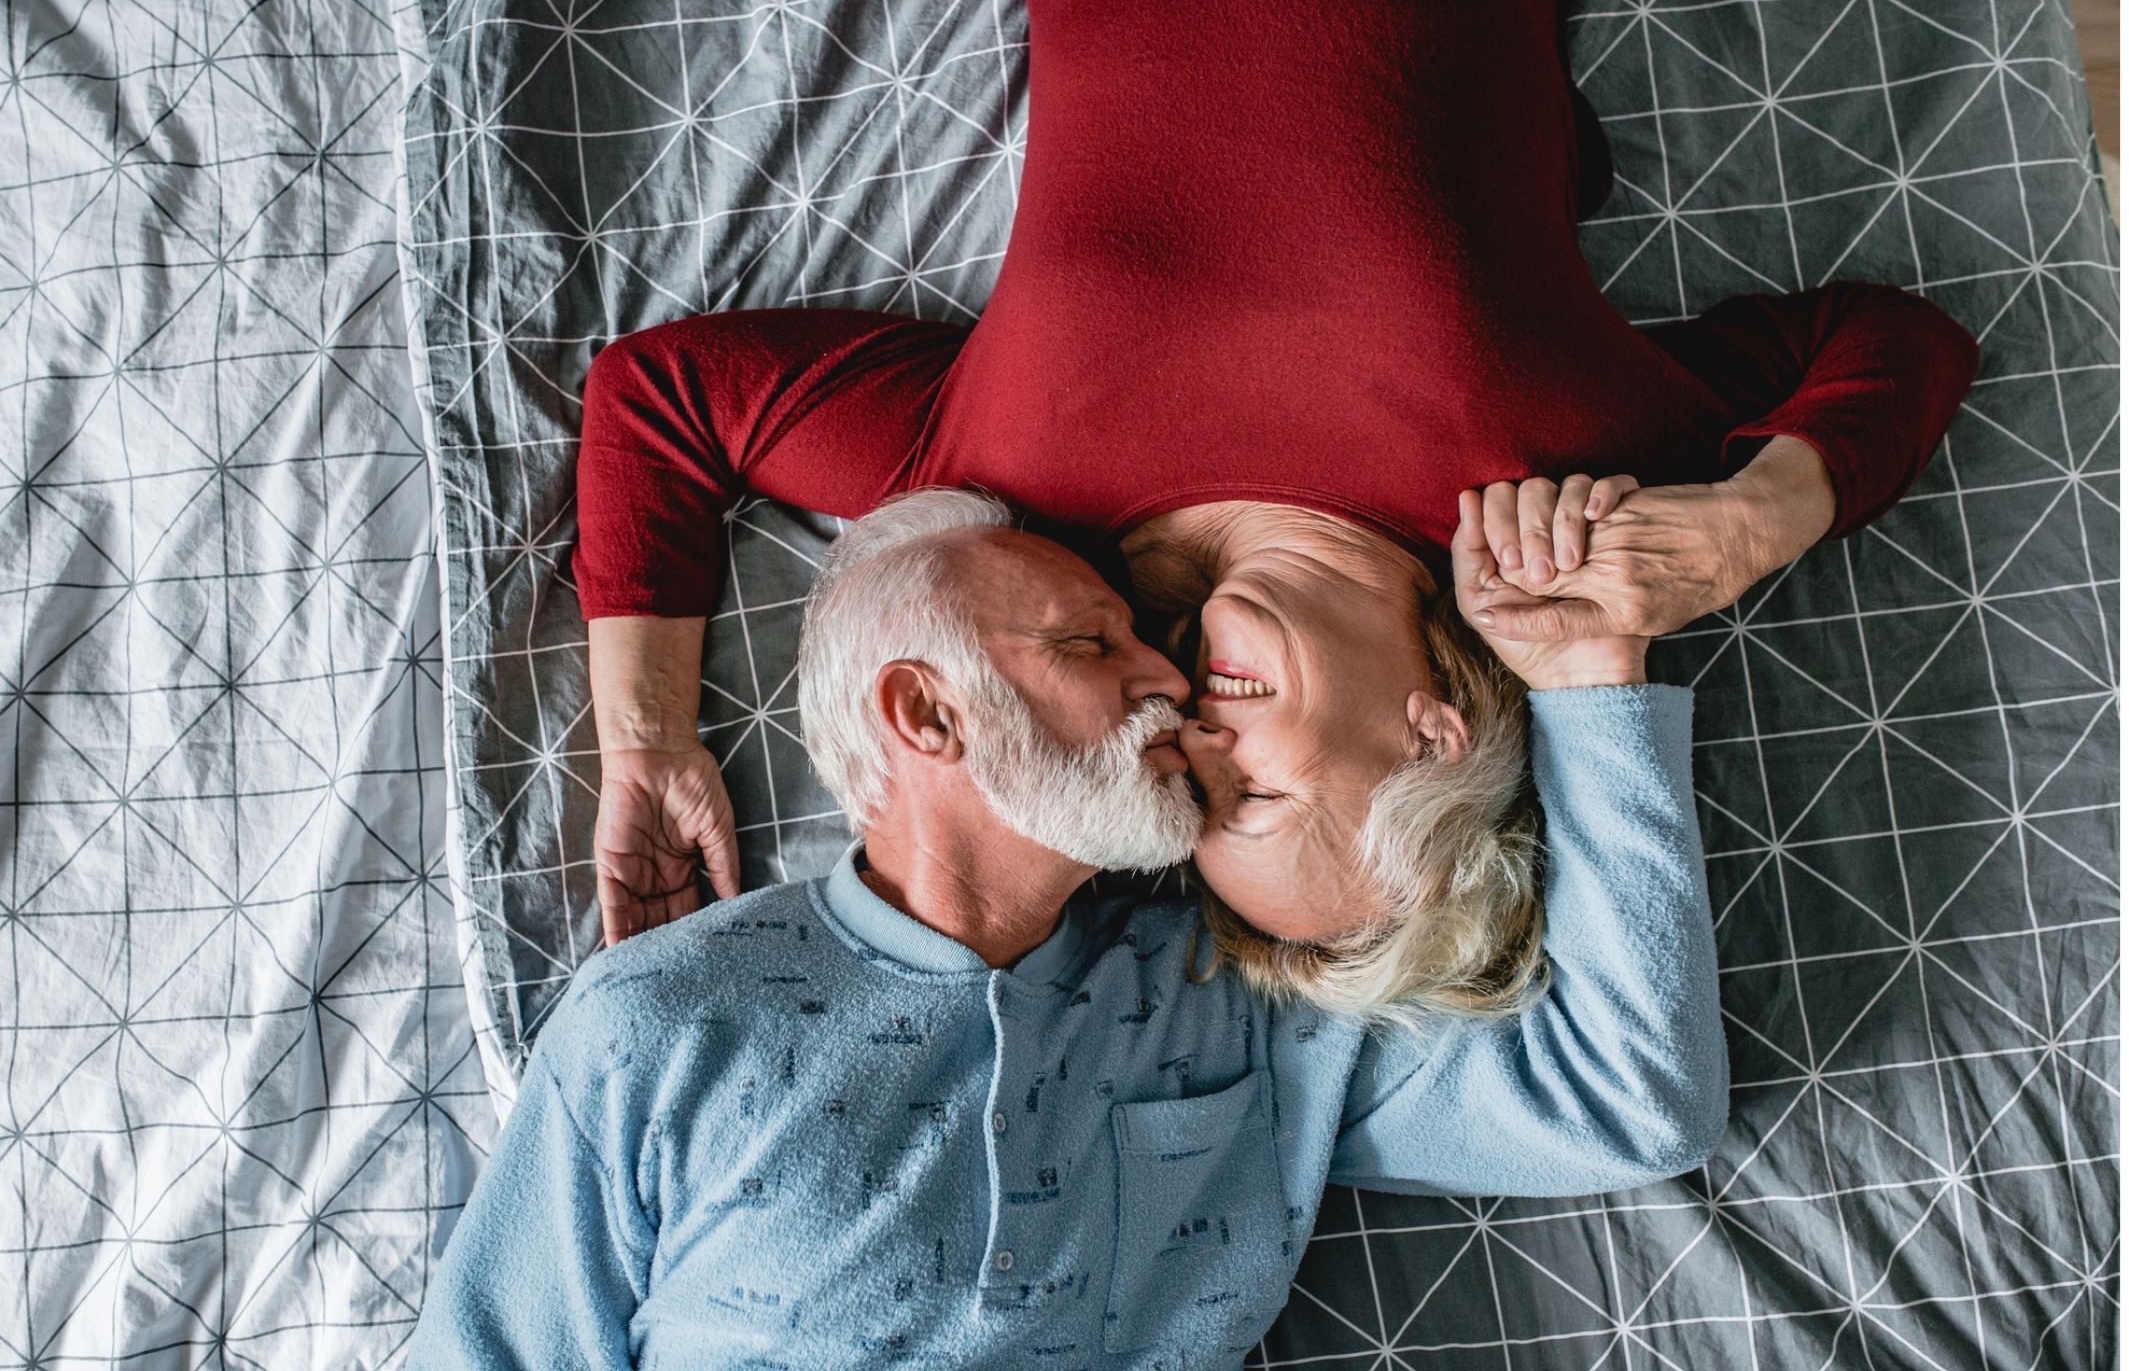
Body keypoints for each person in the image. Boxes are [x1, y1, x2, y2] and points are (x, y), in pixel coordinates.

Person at [574, 0, 1980, 1013]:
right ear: (1431, 735)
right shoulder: (1555, 479)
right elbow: (1899, 345)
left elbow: (659, 403)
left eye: (1189, 785)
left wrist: (645, 747)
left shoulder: (1016, 525)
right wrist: (1750, 525)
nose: (1190, 734)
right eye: (1248, 792)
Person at [406, 490, 1727, 1370]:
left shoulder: (1236, 1003)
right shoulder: (657, 1019)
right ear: (930, 716)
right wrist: (645, 727)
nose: (1166, 676)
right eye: (1093, 645)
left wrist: (1589, 685)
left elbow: (1628, 1100)